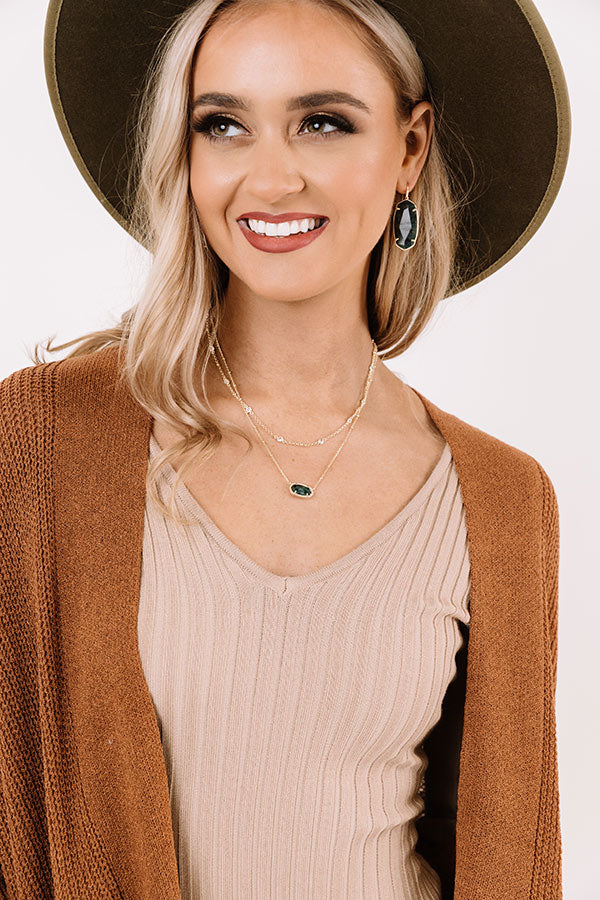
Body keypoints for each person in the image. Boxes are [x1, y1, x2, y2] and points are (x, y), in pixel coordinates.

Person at [0, 0, 569, 897]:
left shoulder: (504, 500)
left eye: (323, 122)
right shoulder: (40, 447)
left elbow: (506, 850)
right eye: (223, 125)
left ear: (410, 148)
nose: (270, 178)